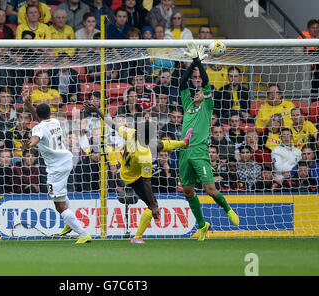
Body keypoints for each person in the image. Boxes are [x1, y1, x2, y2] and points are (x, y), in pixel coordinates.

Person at [83, 100, 194, 244]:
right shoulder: (145, 156)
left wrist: (97, 111)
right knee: (151, 205)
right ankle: (137, 237)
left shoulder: (131, 133)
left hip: (122, 170)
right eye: (153, 135)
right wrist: (154, 204)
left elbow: (112, 124)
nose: (155, 136)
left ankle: (183, 143)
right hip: (132, 179)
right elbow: (146, 183)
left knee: (160, 145)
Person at [178, 42, 239, 240]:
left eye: (201, 91)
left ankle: (228, 209)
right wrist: (191, 64)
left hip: (199, 152)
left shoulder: (207, 105)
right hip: (184, 152)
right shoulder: (187, 103)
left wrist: (198, 62)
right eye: (196, 91)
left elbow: (205, 82)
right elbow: (182, 84)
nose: (198, 92)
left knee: (210, 190)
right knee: (188, 191)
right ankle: (203, 225)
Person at [23, 99, 92, 244]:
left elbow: (35, 137)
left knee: (59, 205)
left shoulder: (37, 128)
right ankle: (69, 224)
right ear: (50, 113)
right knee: (61, 195)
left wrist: (28, 144)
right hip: (67, 160)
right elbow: (40, 119)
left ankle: (83, 234)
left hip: (56, 168)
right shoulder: (55, 122)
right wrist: (28, 103)